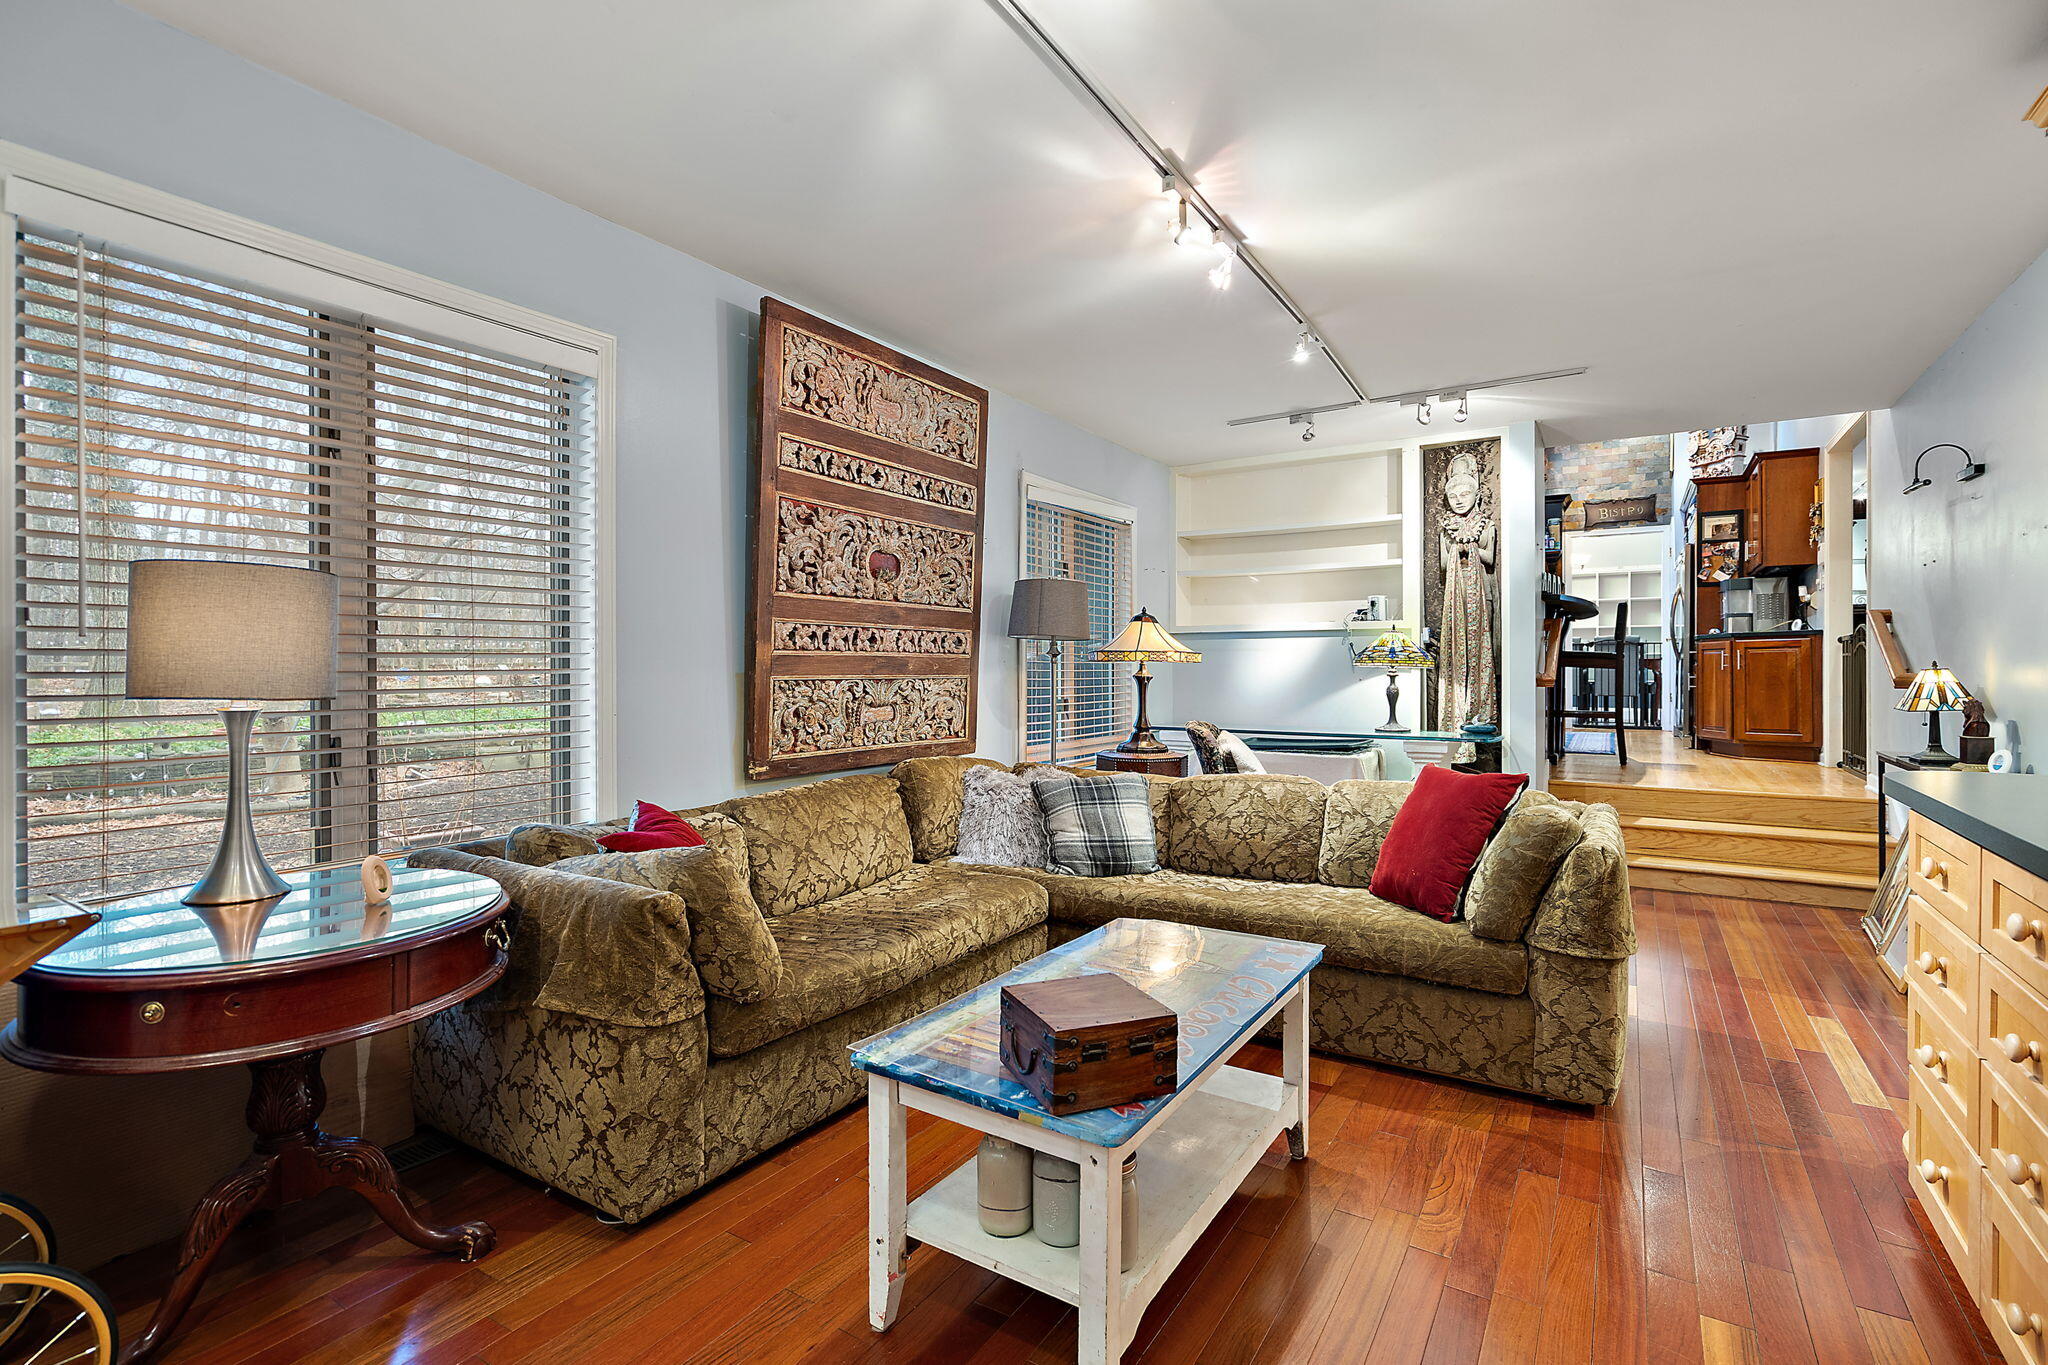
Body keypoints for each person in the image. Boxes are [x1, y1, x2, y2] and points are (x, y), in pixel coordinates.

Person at [1437, 450, 1498, 737]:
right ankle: (1455, 715)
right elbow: (1442, 562)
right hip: (1454, 597)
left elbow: (1489, 558)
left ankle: (1480, 712)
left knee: (1481, 643)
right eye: (1453, 496)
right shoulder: (1445, 529)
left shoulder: (1487, 526)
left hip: (1479, 596)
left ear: (1476, 494)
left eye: (1465, 493)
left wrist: (1470, 547)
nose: (1459, 499)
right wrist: (1456, 549)